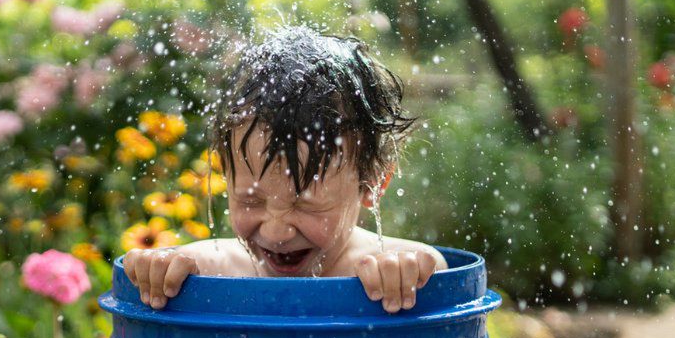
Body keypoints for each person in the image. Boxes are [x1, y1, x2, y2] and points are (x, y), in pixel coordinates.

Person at [124, 25, 446, 313]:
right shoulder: (212, 268)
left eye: (306, 204)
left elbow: (437, 268)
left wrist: (409, 274)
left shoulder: (383, 267)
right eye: (251, 201)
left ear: (372, 184)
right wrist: (156, 269)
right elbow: (169, 265)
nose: (277, 232)